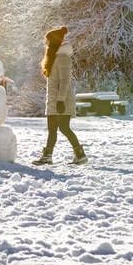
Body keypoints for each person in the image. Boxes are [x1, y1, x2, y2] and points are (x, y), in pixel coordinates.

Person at [32, 25, 87, 165]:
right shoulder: (54, 58)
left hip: (61, 101)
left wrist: (61, 100)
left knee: (63, 127)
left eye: (49, 42)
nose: (47, 45)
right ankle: (48, 156)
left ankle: (80, 154)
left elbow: (65, 81)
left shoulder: (63, 58)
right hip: (54, 101)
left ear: (54, 42)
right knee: (52, 129)